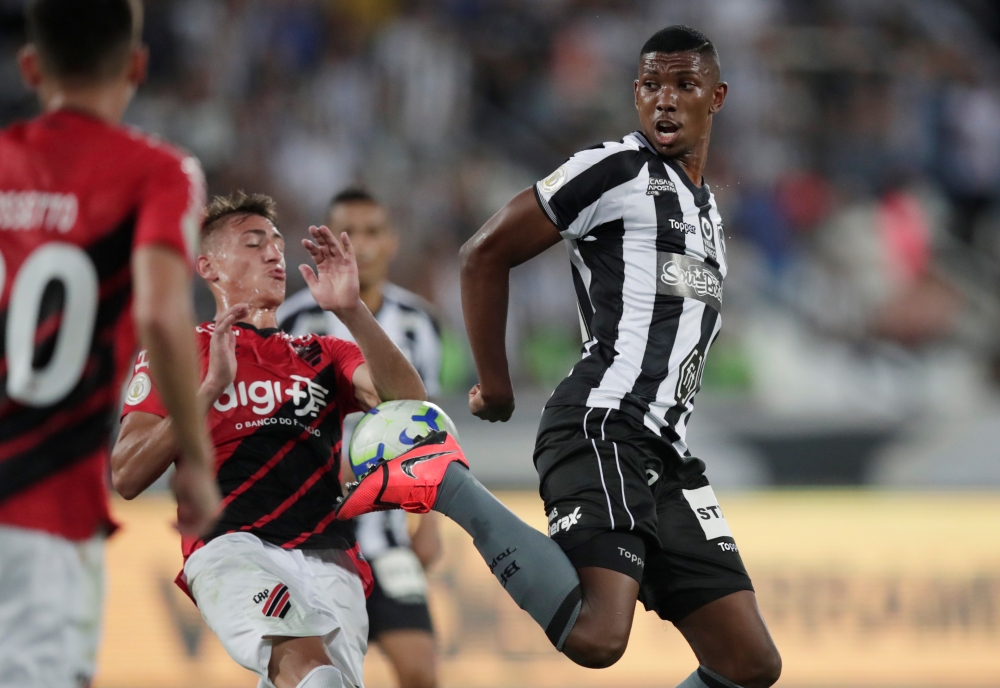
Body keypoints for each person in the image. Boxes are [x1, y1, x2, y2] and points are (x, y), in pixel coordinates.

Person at [338, 26, 782, 688]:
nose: (665, 100)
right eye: (652, 85)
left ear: (715, 98)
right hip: (602, 423)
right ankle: (444, 480)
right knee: (600, 636)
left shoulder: (708, 209)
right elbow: (483, 252)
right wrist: (497, 383)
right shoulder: (616, 168)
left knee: (749, 666)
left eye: (684, 86)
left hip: (666, 452)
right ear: (635, 95)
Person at [112, 191, 426, 688]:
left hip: (330, 555)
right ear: (209, 266)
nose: (274, 253)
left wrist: (352, 310)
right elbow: (126, 474)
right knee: (314, 675)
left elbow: (411, 404)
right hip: (233, 546)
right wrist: (210, 388)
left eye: (277, 243)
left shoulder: (324, 351)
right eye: (254, 243)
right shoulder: (177, 349)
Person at [0, 1, 220, 685]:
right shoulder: (159, 171)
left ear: (31, 67)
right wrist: (197, 457)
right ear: (136, 66)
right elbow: (159, 312)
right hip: (44, 512)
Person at [278, 189, 442, 688]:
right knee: (312, 675)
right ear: (325, 243)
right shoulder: (293, 321)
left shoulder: (420, 323)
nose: (362, 247)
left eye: (372, 232)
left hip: (388, 533)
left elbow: (427, 424)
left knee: (419, 669)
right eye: (350, 234)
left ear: (391, 241)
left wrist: (431, 523)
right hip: (313, 534)